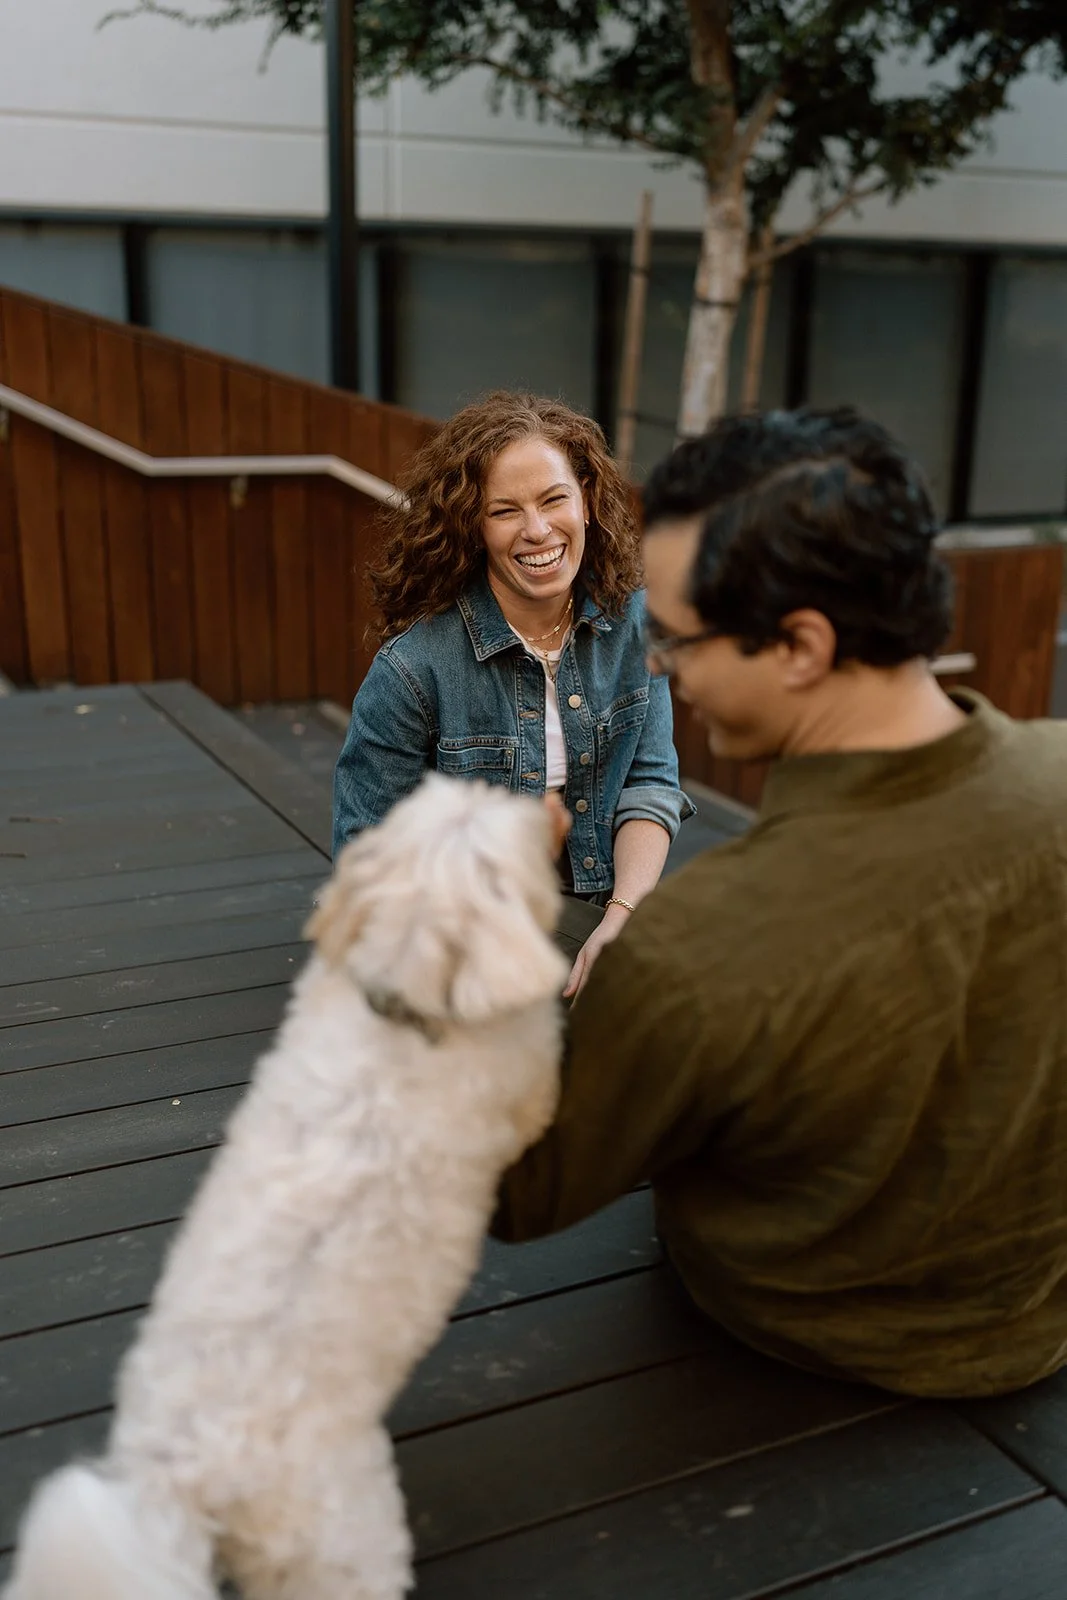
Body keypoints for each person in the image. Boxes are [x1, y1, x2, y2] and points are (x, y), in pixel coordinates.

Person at [493, 405, 1067, 1399]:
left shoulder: (689, 948)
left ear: (799, 643)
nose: (661, 666)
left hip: (796, 1327)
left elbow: (518, 1193)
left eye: (676, 638)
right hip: (1033, 1322)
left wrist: (479, 916)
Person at [332, 391, 693, 995]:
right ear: (473, 525)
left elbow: (651, 784)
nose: (537, 529)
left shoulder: (633, 622)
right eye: (505, 511)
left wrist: (622, 918)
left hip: (599, 902)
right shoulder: (414, 669)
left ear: (585, 498)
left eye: (554, 499)